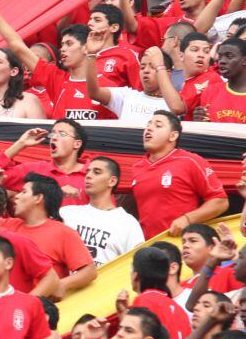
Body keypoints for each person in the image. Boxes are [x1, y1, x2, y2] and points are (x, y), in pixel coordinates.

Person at [130, 110, 228, 238]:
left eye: (158, 125)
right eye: (148, 124)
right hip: (149, 247)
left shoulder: (190, 161)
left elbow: (220, 201)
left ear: (173, 136)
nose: (149, 129)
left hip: (181, 244)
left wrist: (187, 219)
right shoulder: (137, 167)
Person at [2, 173, 96, 295]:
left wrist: (61, 285)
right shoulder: (7, 225)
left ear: (38, 198)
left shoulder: (63, 233)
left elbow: (90, 271)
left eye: (24, 192)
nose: (16, 197)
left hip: (42, 310)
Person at [60, 156, 145, 266]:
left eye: (97, 172)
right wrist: (56, 193)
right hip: (67, 282)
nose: (88, 176)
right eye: (87, 172)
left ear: (112, 181)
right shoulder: (67, 213)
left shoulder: (128, 223)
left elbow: (137, 265)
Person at [0, 120, 90, 207]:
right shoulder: (36, 169)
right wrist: (21, 143)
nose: (54, 137)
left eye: (62, 134)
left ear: (77, 144)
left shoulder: (93, 173)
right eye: (53, 133)